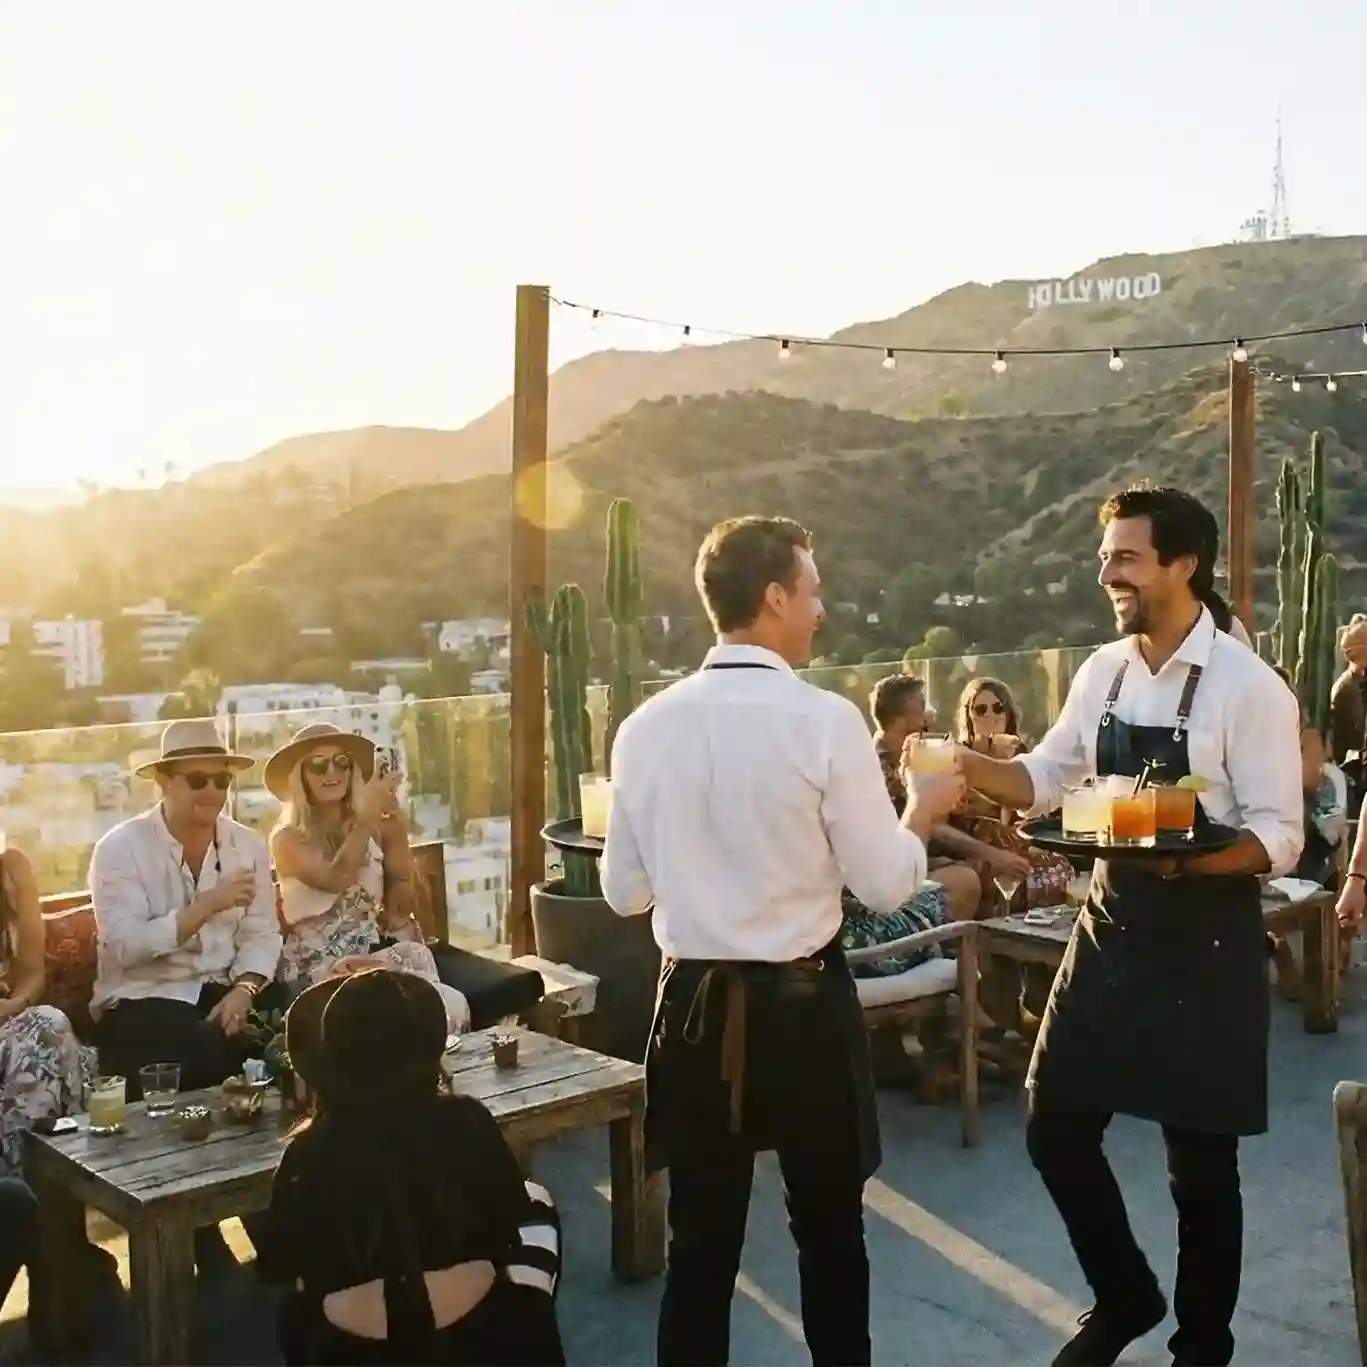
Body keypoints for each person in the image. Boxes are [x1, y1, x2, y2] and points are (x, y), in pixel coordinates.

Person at [600, 516, 965, 1367]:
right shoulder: (823, 722)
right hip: (803, 1012)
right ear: (773, 597)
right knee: (830, 1237)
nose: (820, 608)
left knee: (699, 1249)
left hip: (693, 1012)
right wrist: (921, 808)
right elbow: (886, 884)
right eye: (811, 590)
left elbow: (623, 891)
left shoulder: (643, 727)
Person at [952, 486, 1301, 1367]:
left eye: (1125, 557)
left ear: (1183, 564)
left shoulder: (1247, 687)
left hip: (1207, 934)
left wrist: (1189, 860)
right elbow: (1042, 779)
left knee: (1200, 1166)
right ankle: (1123, 1296)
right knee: (1053, 1125)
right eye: (1105, 555)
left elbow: (1280, 835)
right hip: (1111, 921)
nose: (1106, 572)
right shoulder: (1100, 671)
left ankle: (1201, 1347)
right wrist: (957, 764)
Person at [260, 970, 564, 1365]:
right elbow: (509, 1221)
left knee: (297, 1303)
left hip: (351, 1350)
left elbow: (277, 1263)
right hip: (476, 1335)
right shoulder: (467, 1120)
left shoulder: (307, 1151)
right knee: (538, 1206)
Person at [88, 718, 284, 1096]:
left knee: (298, 1034)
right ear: (164, 781)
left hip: (226, 988)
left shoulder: (247, 845)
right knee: (202, 1049)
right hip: (145, 997)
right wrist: (205, 906)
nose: (212, 791)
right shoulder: (119, 849)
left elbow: (262, 933)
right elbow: (126, 946)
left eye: (221, 780)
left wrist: (244, 989)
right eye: (197, 780)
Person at [265, 724, 469, 1032]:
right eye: (318, 765)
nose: (332, 772)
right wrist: (368, 817)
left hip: (367, 955)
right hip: (314, 967)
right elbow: (336, 878)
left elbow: (400, 905)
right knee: (416, 1012)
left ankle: (436, 1057)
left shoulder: (371, 824)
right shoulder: (287, 839)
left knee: (439, 991)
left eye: (341, 762)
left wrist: (395, 827)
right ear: (300, 777)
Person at [0, 842, 85, 1175]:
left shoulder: (12, 870)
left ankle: (32, 1187)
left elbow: (33, 974)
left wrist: (13, 1004)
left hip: (10, 1020)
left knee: (48, 1026)